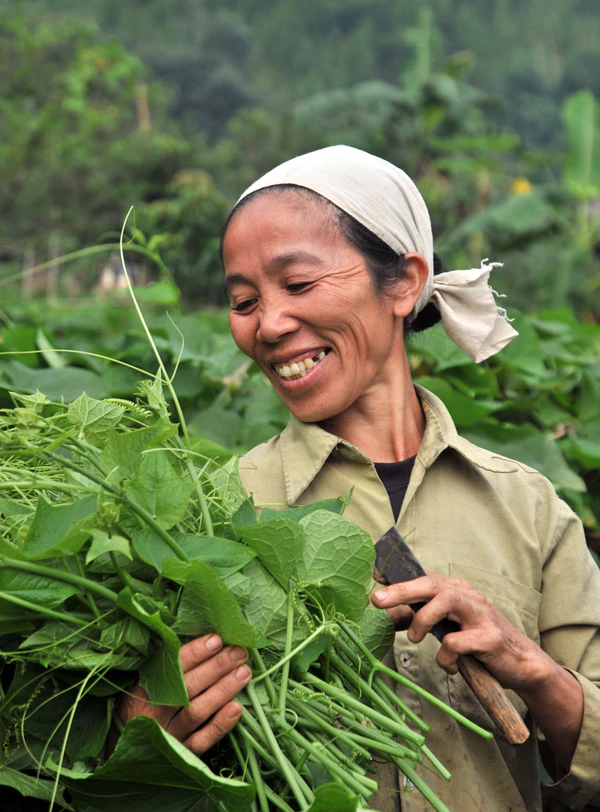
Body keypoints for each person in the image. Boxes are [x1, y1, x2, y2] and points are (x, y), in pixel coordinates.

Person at [121, 146, 600, 812]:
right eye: (243, 301)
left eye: (298, 284)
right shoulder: (211, 512)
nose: (269, 324)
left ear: (403, 283)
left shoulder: (530, 507)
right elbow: (124, 770)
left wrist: (535, 671)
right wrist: (141, 738)